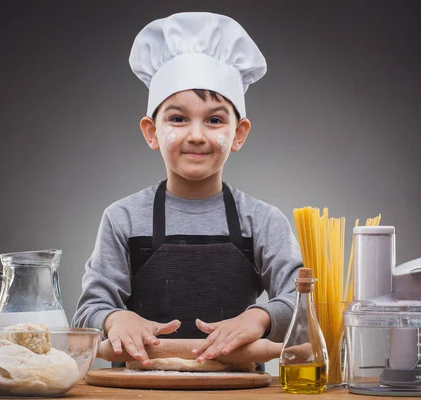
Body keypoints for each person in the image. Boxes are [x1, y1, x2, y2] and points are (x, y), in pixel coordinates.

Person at [72, 12, 302, 368]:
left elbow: (300, 301)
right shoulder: (122, 218)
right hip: (139, 391)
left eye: (214, 120)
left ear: (238, 134)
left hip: (239, 392)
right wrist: (115, 319)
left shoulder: (263, 220)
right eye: (178, 119)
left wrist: (259, 317)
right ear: (151, 131)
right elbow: (89, 310)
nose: (196, 134)